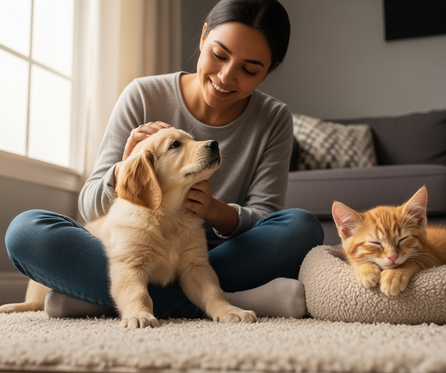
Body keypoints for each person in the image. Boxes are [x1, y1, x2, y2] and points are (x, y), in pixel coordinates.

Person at [4, 0, 324, 320]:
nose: (226, 76)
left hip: (218, 258)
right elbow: (90, 208)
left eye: (249, 69)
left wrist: (214, 210)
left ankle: (95, 299)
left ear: (270, 69)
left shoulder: (274, 118)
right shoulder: (143, 94)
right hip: (132, 253)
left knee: (301, 227)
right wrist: (125, 170)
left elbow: (267, 217)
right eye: (219, 55)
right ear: (203, 37)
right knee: (26, 231)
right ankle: (221, 301)